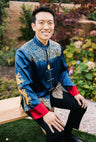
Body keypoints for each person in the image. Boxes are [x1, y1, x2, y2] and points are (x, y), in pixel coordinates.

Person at [15, 6, 87, 142]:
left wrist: (74, 92)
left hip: (53, 92)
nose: (46, 27)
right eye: (41, 22)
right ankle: (60, 136)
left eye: (50, 22)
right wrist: (45, 113)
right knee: (54, 132)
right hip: (34, 99)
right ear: (33, 26)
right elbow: (24, 87)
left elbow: (62, 72)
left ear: (54, 25)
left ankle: (68, 136)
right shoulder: (23, 52)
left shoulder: (57, 47)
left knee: (81, 105)